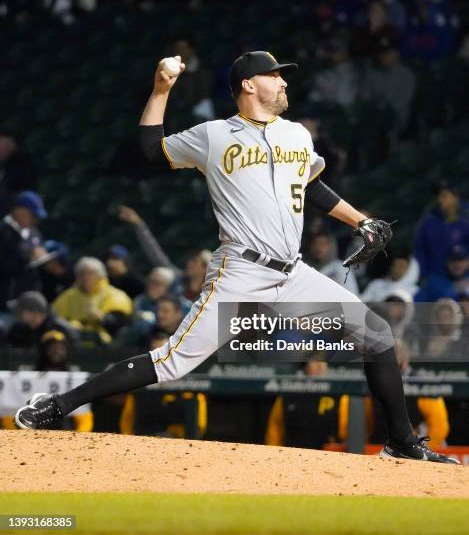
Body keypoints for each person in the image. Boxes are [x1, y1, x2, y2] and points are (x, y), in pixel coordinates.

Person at [15, 51, 458, 463]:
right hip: (240, 272)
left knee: (377, 335)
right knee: (170, 363)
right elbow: (150, 151)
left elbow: (311, 186)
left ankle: (401, 442)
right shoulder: (213, 135)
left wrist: (359, 221)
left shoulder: (297, 133)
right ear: (249, 85)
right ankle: (57, 405)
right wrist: (162, 89)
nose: (284, 82)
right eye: (275, 75)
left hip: (292, 274)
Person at [52, 256, 133, 343]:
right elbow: (54, 317)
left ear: (100, 275)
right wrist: (69, 325)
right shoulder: (68, 296)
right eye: (82, 274)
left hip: (104, 342)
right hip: (72, 340)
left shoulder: (115, 295)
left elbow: (120, 322)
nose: (86, 277)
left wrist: (103, 318)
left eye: (90, 274)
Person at [0, 191, 48, 309]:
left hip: (32, 304)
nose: (34, 220)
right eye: (32, 215)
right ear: (19, 211)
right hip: (6, 302)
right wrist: (28, 258)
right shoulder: (3, 233)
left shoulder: (34, 233)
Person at [414, 181, 469, 279]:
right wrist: (427, 276)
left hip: (464, 281)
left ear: (455, 197)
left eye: (444, 196)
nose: (439, 200)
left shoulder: (465, 222)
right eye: (437, 196)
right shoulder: (427, 224)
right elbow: (420, 252)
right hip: (435, 281)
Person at [6, 290, 79, 348]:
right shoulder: (19, 329)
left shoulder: (59, 328)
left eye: (20, 311)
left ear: (31, 313)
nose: (18, 314)